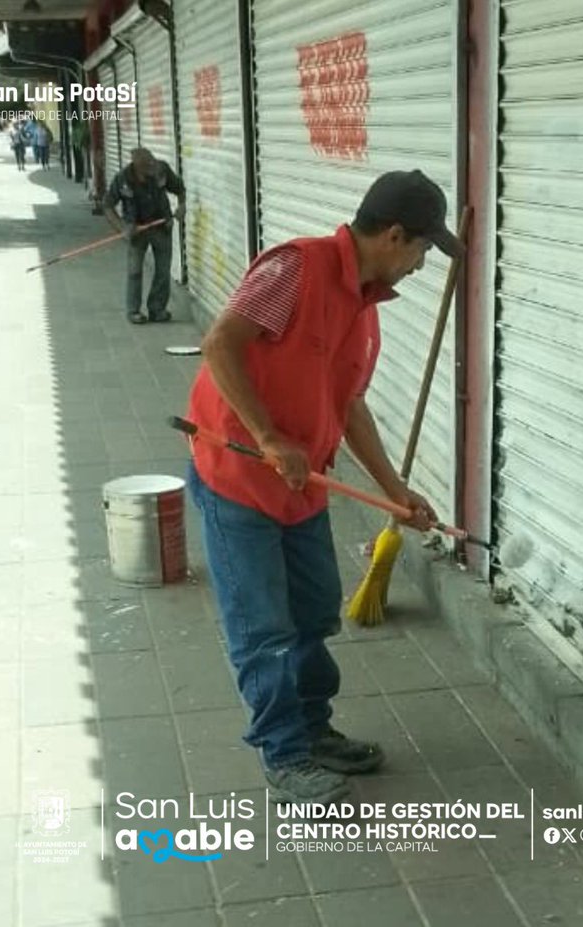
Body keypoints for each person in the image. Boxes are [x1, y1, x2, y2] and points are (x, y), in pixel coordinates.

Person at [184, 170, 464, 804]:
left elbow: (351, 406)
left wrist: (397, 490)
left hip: (302, 486)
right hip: (238, 480)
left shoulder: (365, 308)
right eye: (422, 249)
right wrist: (266, 435)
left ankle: (313, 730)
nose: (421, 265)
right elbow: (220, 342)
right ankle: (284, 755)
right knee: (264, 629)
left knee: (313, 613)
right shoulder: (296, 270)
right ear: (394, 236)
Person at [102, 148, 186, 324]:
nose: (152, 169)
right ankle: (134, 311)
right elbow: (108, 206)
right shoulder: (122, 179)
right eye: (147, 166)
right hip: (136, 231)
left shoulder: (161, 169)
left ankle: (157, 309)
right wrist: (123, 228)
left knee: (163, 270)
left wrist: (181, 207)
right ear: (137, 166)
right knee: (134, 271)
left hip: (161, 226)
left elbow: (179, 188)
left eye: (152, 163)